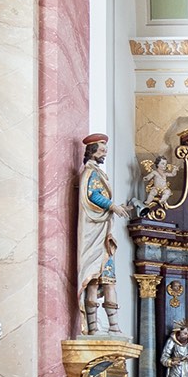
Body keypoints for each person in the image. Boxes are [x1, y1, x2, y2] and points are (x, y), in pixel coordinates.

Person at [76, 134, 124, 335]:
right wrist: (113, 206)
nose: (105, 154)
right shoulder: (91, 173)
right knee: (93, 280)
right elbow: (92, 195)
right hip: (94, 234)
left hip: (102, 234)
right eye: (102, 150)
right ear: (92, 152)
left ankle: (114, 327)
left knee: (109, 280)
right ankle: (94, 328)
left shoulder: (98, 173)